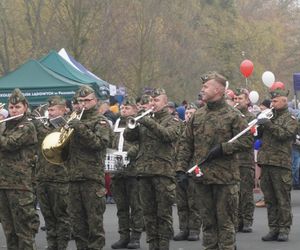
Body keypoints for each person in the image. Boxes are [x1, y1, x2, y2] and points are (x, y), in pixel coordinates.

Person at [176, 72, 252, 250]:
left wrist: (224, 148)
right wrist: (180, 169)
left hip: (225, 179)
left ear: (218, 89)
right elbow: (186, 143)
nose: (202, 89)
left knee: (226, 225)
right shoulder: (198, 115)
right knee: (208, 225)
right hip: (202, 177)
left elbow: (247, 140)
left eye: (206, 86)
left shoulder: (233, 115)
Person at [124, 88, 181, 250]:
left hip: (162, 173)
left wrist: (148, 122)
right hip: (143, 173)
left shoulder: (173, 120)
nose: (152, 103)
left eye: (156, 101)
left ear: (165, 102)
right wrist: (134, 124)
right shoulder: (144, 119)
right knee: (148, 216)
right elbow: (129, 137)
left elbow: (168, 135)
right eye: (150, 101)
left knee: (162, 215)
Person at [67, 85, 113, 250]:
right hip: (73, 177)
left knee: (94, 227)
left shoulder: (100, 121)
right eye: (80, 101)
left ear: (96, 101)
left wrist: (78, 127)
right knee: (78, 227)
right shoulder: (73, 119)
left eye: (87, 100)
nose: (83, 104)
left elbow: (99, 144)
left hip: (92, 179)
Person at [257, 86, 298, 242]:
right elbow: (259, 137)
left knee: (282, 199)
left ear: (284, 101)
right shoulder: (269, 116)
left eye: (275, 101)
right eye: (272, 101)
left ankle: (284, 229)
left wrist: (267, 124)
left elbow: (284, 135)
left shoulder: (291, 118)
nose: (272, 104)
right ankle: (273, 228)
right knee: (270, 199)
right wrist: (259, 125)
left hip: (281, 164)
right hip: (266, 163)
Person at [0, 88, 39, 249]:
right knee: (9, 230)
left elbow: (10, 144)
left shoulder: (27, 126)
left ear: (25, 107)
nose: (14, 110)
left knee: (24, 229)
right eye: (11, 107)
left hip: (21, 185)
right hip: (3, 183)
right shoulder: (6, 125)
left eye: (18, 107)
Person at [34, 96, 71, 249]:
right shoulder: (45, 125)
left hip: (60, 178)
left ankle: (61, 246)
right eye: (48, 110)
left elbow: (57, 140)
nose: (49, 113)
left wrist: (37, 123)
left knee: (61, 216)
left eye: (52, 110)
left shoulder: (68, 126)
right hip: (43, 177)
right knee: (48, 217)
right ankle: (52, 245)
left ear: (62, 110)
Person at [111, 96, 144, 249]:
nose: (124, 110)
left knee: (136, 206)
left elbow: (143, 144)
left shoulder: (139, 123)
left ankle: (136, 237)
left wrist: (132, 152)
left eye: (127, 108)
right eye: (122, 108)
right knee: (121, 207)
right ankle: (123, 236)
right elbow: (112, 142)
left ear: (135, 109)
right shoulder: (116, 122)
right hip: (117, 169)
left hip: (134, 170)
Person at [174, 103, 201, 241]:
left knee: (194, 202)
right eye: (187, 113)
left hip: (194, 168)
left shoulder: (200, 128)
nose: (189, 115)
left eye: (192, 113)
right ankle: (183, 228)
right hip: (180, 167)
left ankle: (194, 229)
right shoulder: (179, 127)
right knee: (181, 202)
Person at [234, 88, 255, 233]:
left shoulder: (251, 118)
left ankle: (247, 220)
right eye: (235, 99)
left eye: (240, 99)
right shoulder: (231, 117)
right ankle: (237, 220)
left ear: (247, 101)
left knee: (246, 192)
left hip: (245, 161)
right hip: (233, 161)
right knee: (234, 193)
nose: (237, 101)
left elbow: (249, 140)